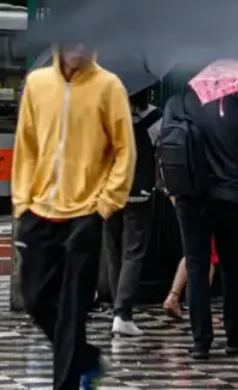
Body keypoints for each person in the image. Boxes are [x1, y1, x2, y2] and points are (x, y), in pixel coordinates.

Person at [12, 44, 135, 389]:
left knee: (72, 311)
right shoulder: (37, 84)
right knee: (35, 298)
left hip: (85, 213)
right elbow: (27, 144)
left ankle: (67, 380)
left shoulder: (109, 86)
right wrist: (22, 201)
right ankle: (86, 359)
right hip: (38, 210)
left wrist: (105, 204)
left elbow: (125, 149)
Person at [174, 91, 238, 359]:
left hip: (190, 196)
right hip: (230, 197)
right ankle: (234, 337)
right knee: (232, 268)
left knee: (196, 266)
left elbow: (168, 148)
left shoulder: (178, 103)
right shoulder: (236, 105)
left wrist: (175, 195)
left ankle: (201, 342)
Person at [103, 88, 163, 337]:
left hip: (108, 191)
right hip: (139, 192)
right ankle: (122, 313)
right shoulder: (154, 117)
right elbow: (162, 149)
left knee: (113, 251)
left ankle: (116, 304)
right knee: (133, 252)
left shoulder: (105, 114)